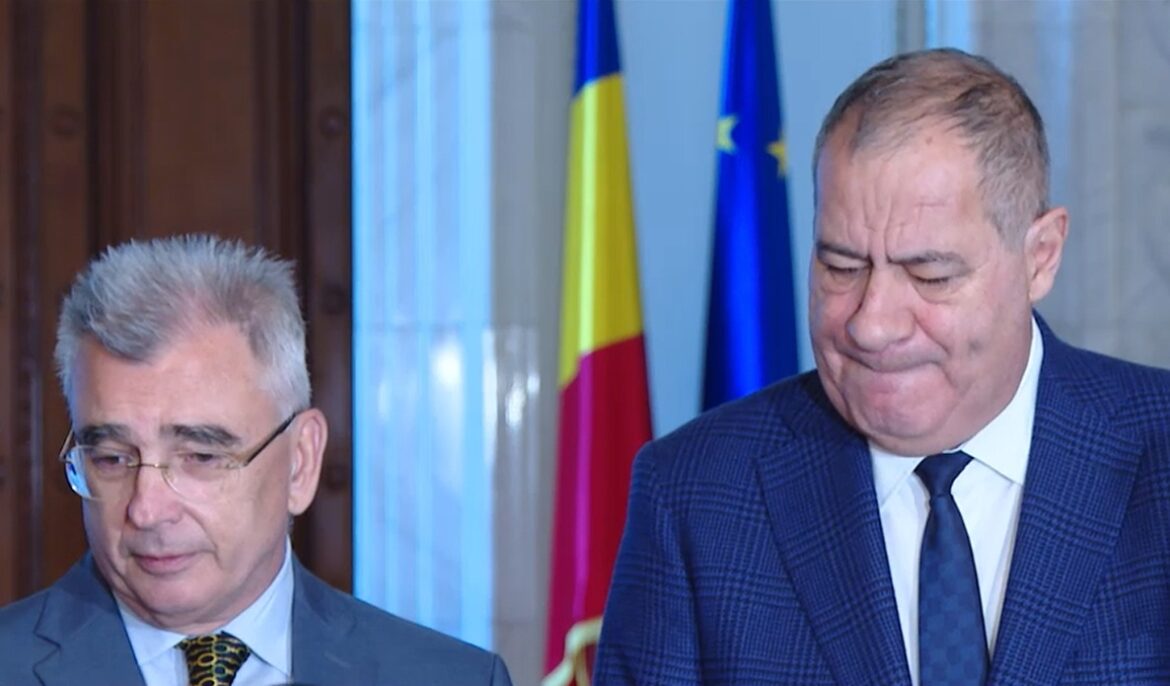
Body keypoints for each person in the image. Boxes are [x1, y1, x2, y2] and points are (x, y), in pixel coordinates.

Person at [595, 47, 1170, 685]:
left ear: (1041, 257)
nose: (872, 324)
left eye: (929, 275)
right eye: (841, 267)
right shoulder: (696, 494)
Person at [0, 235, 513, 686]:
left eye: (201, 456)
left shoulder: (453, 679)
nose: (146, 510)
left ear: (301, 462)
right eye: (112, 459)